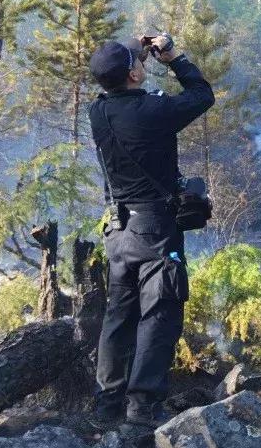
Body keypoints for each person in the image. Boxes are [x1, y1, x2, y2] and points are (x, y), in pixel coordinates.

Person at [87, 34, 214, 429]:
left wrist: (136, 54)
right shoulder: (153, 110)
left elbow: (123, 80)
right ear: (134, 73)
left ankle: (106, 407)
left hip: (117, 231)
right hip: (154, 230)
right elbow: (201, 93)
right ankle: (141, 411)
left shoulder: (99, 111)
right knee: (159, 315)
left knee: (118, 317)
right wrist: (172, 54)